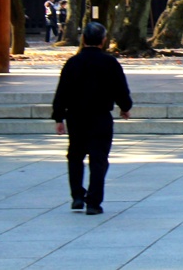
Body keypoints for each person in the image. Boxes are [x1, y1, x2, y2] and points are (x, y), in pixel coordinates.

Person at [51, 22, 132, 215]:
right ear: (103, 41)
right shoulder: (110, 63)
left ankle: (77, 196)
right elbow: (120, 87)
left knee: (75, 156)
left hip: (76, 117)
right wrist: (125, 107)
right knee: (98, 158)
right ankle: (94, 202)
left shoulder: (73, 63)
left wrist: (59, 117)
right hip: (100, 116)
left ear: (84, 39)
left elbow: (62, 91)